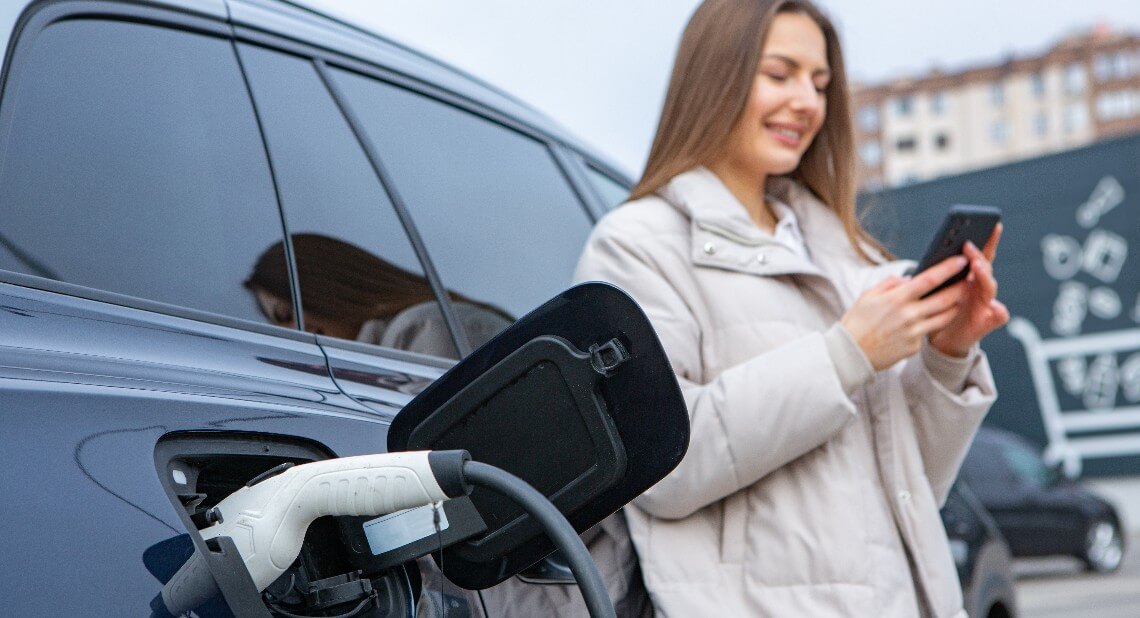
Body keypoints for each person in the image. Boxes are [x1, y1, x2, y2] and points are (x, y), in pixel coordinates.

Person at [573, 1, 1009, 616]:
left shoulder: (849, 257)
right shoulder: (638, 245)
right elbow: (661, 471)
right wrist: (845, 354)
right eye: (780, 75)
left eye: (820, 82)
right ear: (713, 80)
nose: (807, 101)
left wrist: (947, 356)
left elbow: (919, 488)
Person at [245, 234, 511, 359]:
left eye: (285, 315)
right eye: (277, 325)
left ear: (321, 288)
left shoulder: (420, 329)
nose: (292, 333)